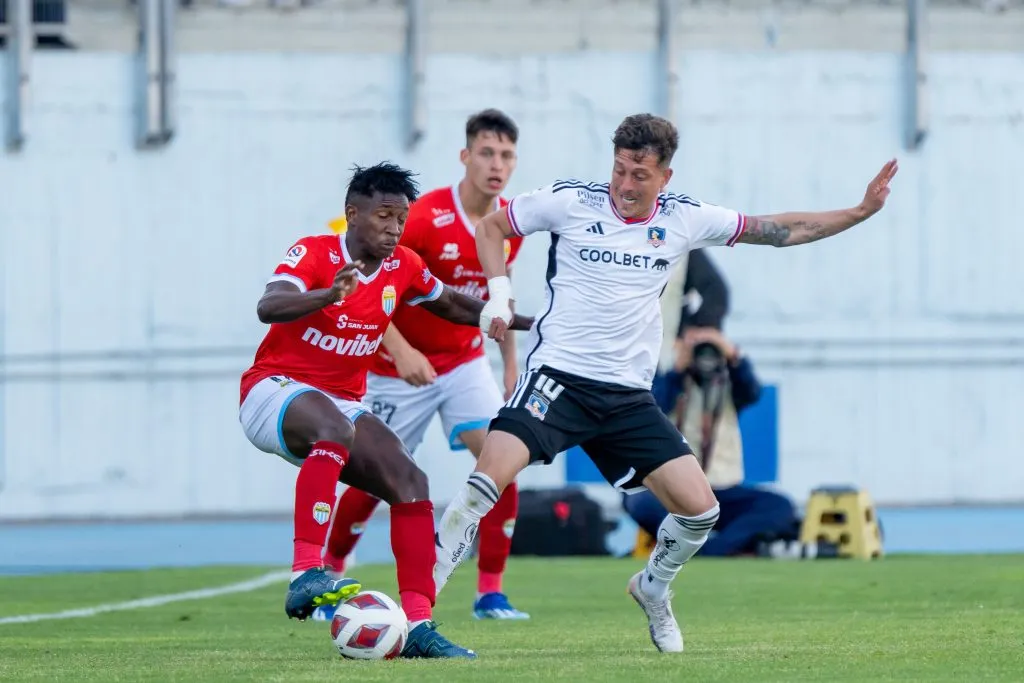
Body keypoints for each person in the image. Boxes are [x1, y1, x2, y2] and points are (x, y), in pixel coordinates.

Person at [432, 112, 898, 653]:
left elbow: (779, 230)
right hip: (557, 377)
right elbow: (492, 227)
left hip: (627, 396)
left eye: (641, 175)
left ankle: (653, 587)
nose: (626, 186)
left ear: (665, 177)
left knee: (701, 511)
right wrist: (498, 294)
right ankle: (418, 612)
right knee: (481, 486)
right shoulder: (571, 200)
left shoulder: (686, 218)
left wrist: (861, 211)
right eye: (620, 170)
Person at [237, 162, 533, 659]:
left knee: (410, 481)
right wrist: (329, 294)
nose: (394, 228)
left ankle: (418, 625)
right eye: (383, 216)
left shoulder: (404, 265)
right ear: (352, 213)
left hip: (342, 405)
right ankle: (307, 572)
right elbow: (270, 306)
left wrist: (524, 321)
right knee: (334, 428)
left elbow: (450, 304)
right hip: (273, 391)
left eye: (401, 218)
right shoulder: (313, 252)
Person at [315, 109, 530, 622]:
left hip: (462, 364)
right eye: (486, 152)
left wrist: (509, 361)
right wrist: (401, 349)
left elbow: (496, 297)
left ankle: (490, 593)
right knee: (378, 478)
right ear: (465, 156)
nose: (496, 164)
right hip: (397, 371)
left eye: (506, 155)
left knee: (504, 463)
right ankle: (329, 573)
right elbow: (371, 284)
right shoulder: (425, 216)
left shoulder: (508, 226)